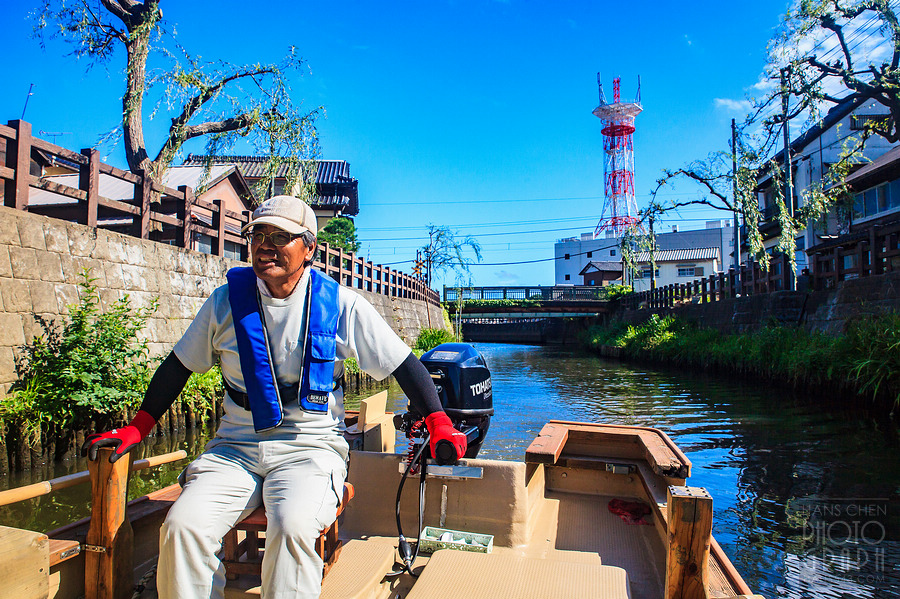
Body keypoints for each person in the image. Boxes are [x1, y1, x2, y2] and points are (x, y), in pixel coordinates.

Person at [82, 195, 467, 599]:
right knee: (182, 528)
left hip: (310, 447)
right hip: (235, 447)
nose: (265, 246)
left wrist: (439, 421)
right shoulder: (225, 303)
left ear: (309, 248)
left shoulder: (341, 305)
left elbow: (403, 364)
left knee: (292, 526)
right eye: (258, 235)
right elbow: (178, 366)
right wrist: (138, 427)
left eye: (280, 237)